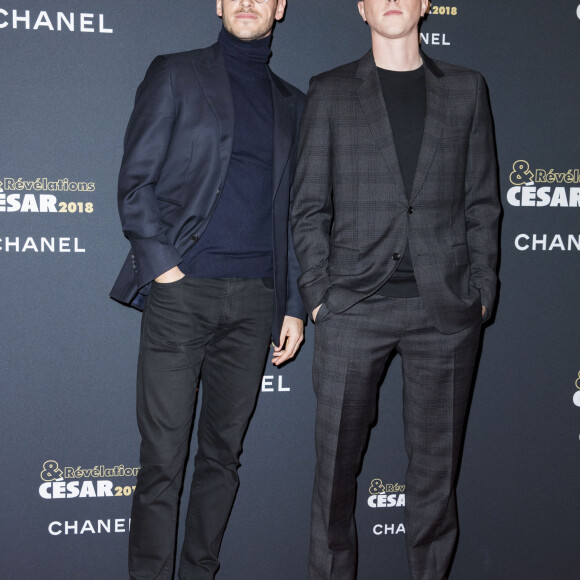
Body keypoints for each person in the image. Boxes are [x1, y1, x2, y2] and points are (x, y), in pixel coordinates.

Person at [291, 1, 500, 578]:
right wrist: (317, 294)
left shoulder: (466, 88)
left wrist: (482, 288)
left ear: (425, 3)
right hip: (354, 308)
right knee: (334, 476)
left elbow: (483, 202)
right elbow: (308, 208)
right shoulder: (330, 90)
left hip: (446, 311)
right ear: (361, 7)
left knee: (435, 481)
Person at [110, 1, 305, 578]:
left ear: (280, 7)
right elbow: (134, 180)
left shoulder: (296, 103)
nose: (248, 1)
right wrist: (164, 268)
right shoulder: (176, 72)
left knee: (222, 459)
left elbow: (297, 214)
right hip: (181, 294)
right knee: (163, 461)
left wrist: (292, 304)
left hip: (255, 303)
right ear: (219, 4)